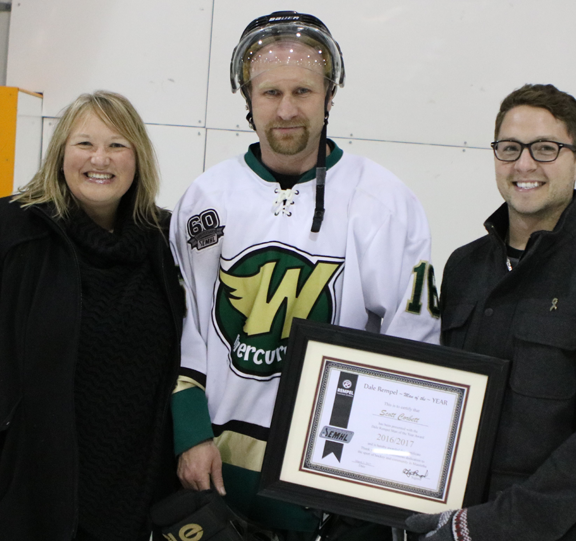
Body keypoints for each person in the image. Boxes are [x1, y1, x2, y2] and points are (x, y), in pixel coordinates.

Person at [169, 11, 440, 540]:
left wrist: (378, 467)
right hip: (218, 467)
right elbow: (186, 323)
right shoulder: (206, 200)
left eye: (303, 91)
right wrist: (189, 434)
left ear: (329, 97)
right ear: (248, 99)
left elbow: (415, 343)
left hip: (332, 477)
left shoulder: (385, 202)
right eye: (270, 93)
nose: (287, 109)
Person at [0, 91, 185, 541]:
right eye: (84, 143)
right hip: (21, 500)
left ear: (138, 157)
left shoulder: (165, 240)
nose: (100, 158)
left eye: (117, 145)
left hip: (131, 499)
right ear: (60, 153)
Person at [407, 84, 576, 540]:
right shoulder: (464, 266)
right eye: (510, 148)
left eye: (545, 148)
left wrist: (489, 526)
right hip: (465, 522)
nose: (524, 164)